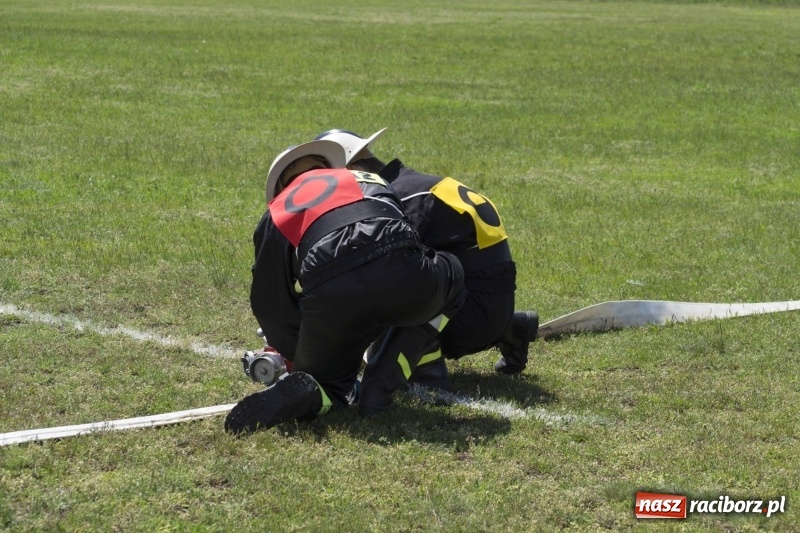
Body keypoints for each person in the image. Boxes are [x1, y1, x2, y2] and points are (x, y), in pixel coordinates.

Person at [224, 139, 467, 434]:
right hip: (401, 271)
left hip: (330, 292)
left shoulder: (277, 210)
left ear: (281, 186)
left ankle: (319, 391)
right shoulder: (370, 178)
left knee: (328, 385)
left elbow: (270, 301)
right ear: (328, 165)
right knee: (453, 273)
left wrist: (301, 352)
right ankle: (383, 380)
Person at [313, 128, 539, 389]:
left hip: (471, 315)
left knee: (384, 298)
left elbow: (392, 277)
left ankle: (427, 372)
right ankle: (511, 328)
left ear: (352, 167)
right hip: (493, 304)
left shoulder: (397, 198)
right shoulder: (414, 185)